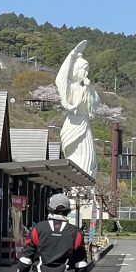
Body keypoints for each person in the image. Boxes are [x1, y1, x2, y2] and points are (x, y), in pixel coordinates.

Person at [55, 40, 101, 179]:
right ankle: (76, 186)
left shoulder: (86, 87)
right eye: (83, 69)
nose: (86, 72)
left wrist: (89, 88)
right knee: (76, 158)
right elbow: (60, 79)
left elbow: (95, 102)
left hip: (84, 125)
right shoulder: (70, 85)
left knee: (89, 157)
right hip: (73, 124)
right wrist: (72, 55)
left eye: (87, 70)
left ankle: (86, 186)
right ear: (74, 70)